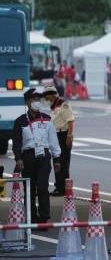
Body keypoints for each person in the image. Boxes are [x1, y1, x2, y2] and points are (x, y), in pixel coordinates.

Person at [13, 88, 61, 224]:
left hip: (44, 156)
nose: (37, 102)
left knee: (42, 187)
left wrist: (56, 159)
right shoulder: (20, 121)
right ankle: (31, 217)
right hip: (27, 157)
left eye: (38, 99)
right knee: (29, 188)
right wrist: (18, 158)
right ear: (27, 102)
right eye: (34, 99)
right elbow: (17, 143)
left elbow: (53, 141)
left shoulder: (47, 119)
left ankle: (44, 217)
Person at [42, 86, 75, 197]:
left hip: (63, 135)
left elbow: (70, 121)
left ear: (51, 95)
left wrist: (69, 136)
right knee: (57, 162)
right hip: (56, 136)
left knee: (63, 163)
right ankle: (60, 187)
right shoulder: (55, 106)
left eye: (47, 97)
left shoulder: (63, 105)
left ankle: (63, 188)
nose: (46, 100)